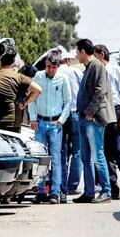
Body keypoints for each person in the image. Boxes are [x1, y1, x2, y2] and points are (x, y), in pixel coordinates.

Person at [73, 39, 116, 204]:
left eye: (77, 52)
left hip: (94, 119)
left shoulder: (97, 66)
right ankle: (89, 192)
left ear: (83, 51)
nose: (77, 55)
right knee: (85, 157)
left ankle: (106, 191)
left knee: (97, 155)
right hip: (84, 118)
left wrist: (90, 112)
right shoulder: (87, 68)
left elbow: (100, 92)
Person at [28, 49, 71, 204]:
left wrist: (61, 120)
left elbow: (68, 101)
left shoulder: (63, 78)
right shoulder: (38, 76)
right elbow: (31, 98)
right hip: (40, 122)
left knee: (56, 158)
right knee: (39, 157)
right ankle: (40, 191)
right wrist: (33, 118)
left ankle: (55, 192)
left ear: (58, 66)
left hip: (54, 124)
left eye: (54, 67)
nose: (51, 70)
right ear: (45, 65)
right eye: (48, 66)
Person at [94, 44, 120, 200]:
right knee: (107, 152)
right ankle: (113, 187)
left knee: (119, 150)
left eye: (96, 55)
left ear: (102, 54)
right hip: (102, 113)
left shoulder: (115, 69)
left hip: (116, 111)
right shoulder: (95, 71)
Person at [0, 51, 41, 133]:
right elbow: (38, 90)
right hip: (12, 124)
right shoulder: (18, 77)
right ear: (13, 62)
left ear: (0, 61)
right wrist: (25, 103)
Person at [57, 50, 83, 196]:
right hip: (75, 113)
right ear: (67, 60)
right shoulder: (75, 72)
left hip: (60, 115)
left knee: (61, 150)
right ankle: (72, 185)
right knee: (77, 151)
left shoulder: (54, 73)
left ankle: (61, 184)